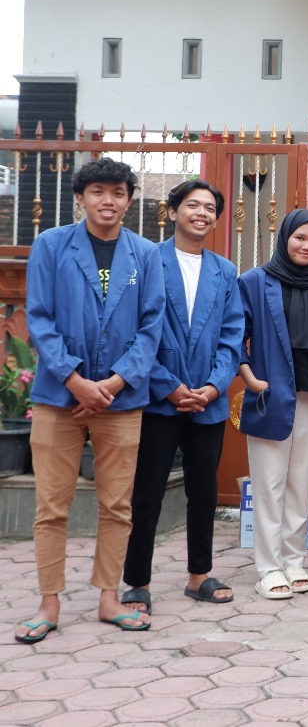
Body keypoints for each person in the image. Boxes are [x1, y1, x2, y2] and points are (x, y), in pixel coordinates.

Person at [16, 158, 165, 644]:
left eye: (118, 192)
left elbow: (151, 327)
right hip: (60, 398)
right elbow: (39, 319)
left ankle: (108, 597)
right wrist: (76, 381)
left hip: (121, 403)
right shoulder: (51, 245)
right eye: (98, 191)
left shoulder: (145, 254)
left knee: (117, 505)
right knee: (51, 506)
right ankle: (49, 602)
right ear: (80, 197)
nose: (108, 200)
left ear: (129, 200)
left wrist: (115, 384)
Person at [122, 181, 244, 616]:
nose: (202, 213)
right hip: (160, 399)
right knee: (148, 493)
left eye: (210, 208)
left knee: (203, 491)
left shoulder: (224, 271)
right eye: (192, 205)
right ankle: (137, 581)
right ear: (172, 211)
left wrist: (214, 386)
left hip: (207, 402)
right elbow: (134, 331)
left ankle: (199, 575)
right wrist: (167, 385)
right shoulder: (148, 260)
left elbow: (232, 337)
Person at [237, 209, 308, 600]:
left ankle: (294, 560)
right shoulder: (254, 281)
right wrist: (248, 376)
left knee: (301, 482)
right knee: (269, 485)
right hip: (270, 395)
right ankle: (267, 567)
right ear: (284, 237)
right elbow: (235, 334)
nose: (307, 246)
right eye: (300, 237)